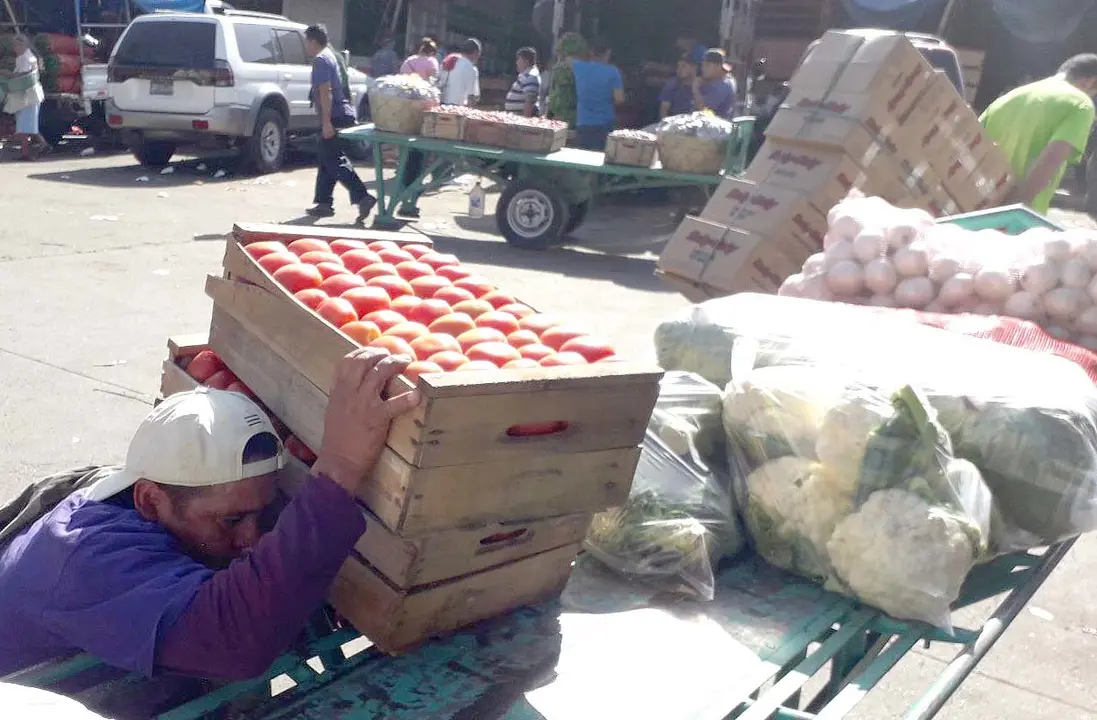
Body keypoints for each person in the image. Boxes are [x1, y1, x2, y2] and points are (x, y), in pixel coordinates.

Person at [0, 347, 421, 680]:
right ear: (149, 501)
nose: (251, 539)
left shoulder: (157, 497)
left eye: (262, 513)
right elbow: (233, 640)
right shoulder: (81, 558)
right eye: (232, 521)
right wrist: (341, 466)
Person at [980, 54, 1097, 215]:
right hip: (1014, 217)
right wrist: (1012, 209)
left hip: (976, 205)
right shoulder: (1081, 104)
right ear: (1091, 81)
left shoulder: (1011, 96)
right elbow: (1051, 160)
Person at [303, 24, 376, 223]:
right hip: (343, 113)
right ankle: (324, 203)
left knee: (333, 159)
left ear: (312, 41)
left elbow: (325, 91)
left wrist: (326, 122)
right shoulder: (334, 56)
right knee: (327, 157)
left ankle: (362, 196)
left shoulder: (321, 60)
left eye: (306, 42)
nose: (306, 47)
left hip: (334, 115)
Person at [571, 36, 625, 151]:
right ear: (608, 52)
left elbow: (566, 56)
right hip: (605, 124)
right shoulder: (613, 72)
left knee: (581, 161)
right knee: (600, 161)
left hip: (583, 122)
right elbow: (619, 99)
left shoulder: (578, 66)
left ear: (590, 51)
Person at [2, 35, 49, 161]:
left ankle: (31, 150)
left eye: (16, 45)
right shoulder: (24, 57)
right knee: (27, 126)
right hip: (27, 96)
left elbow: (24, 75)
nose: (15, 48)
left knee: (25, 126)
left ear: (23, 45)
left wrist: (8, 74)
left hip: (28, 96)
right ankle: (33, 149)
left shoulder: (27, 58)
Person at [546, 32, 587, 128]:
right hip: (576, 118)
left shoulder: (558, 68)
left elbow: (553, 95)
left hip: (559, 117)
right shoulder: (581, 68)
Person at [692, 48, 737, 119]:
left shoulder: (723, 86)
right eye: (703, 65)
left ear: (718, 67)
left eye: (707, 65)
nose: (703, 68)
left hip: (716, 125)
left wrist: (695, 89)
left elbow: (704, 111)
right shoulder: (717, 79)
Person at [439, 37, 482, 107]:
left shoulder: (449, 59)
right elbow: (471, 96)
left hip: (441, 104)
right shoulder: (471, 68)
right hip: (458, 107)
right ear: (475, 53)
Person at [505, 47, 541, 117]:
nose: (516, 62)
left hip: (520, 119)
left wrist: (525, 121)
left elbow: (530, 101)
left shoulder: (530, 76)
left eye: (518, 59)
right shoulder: (526, 75)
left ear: (526, 61)